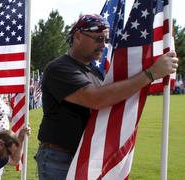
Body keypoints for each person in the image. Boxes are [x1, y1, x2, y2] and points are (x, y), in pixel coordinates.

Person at [35, 14, 178, 180]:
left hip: (84, 154)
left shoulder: (93, 71)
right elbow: (96, 99)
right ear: (78, 36)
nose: (103, 45)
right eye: (99, 39)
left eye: (106, 40)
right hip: (60, 157)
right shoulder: (60, 68)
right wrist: (151, 74)